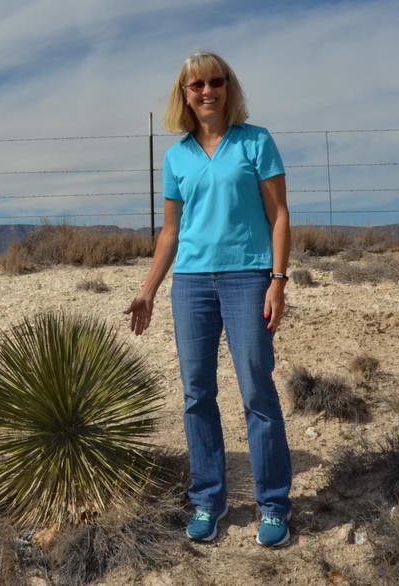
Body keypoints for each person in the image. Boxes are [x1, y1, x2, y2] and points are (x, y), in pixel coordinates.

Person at [125, 51, 293, 547]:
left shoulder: (256, 141)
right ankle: (207, 499)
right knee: (197, 394)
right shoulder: (176, 155)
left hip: (248, 277)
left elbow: (280, 214)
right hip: (192, 283)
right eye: (195, 84)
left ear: (228, 88)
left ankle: (274, 505)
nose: (207, 91)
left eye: (215, 82)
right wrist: (147, 289)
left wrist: (278, 279)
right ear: (184, 93)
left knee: (256, 391)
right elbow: (171, 232)